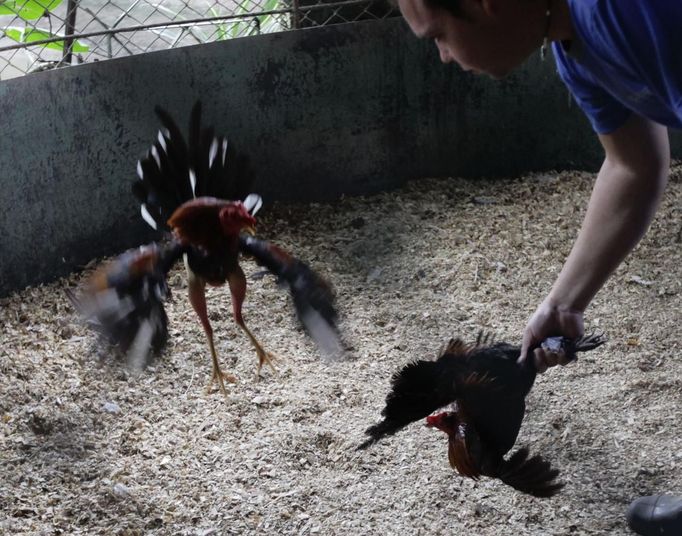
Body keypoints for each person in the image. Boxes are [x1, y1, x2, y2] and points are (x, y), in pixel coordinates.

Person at [393, 0, 681, 534]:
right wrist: (562, 302)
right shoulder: (574, 46)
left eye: (439, 33)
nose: (442, 56)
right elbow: (634, 165)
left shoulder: (626, 13)